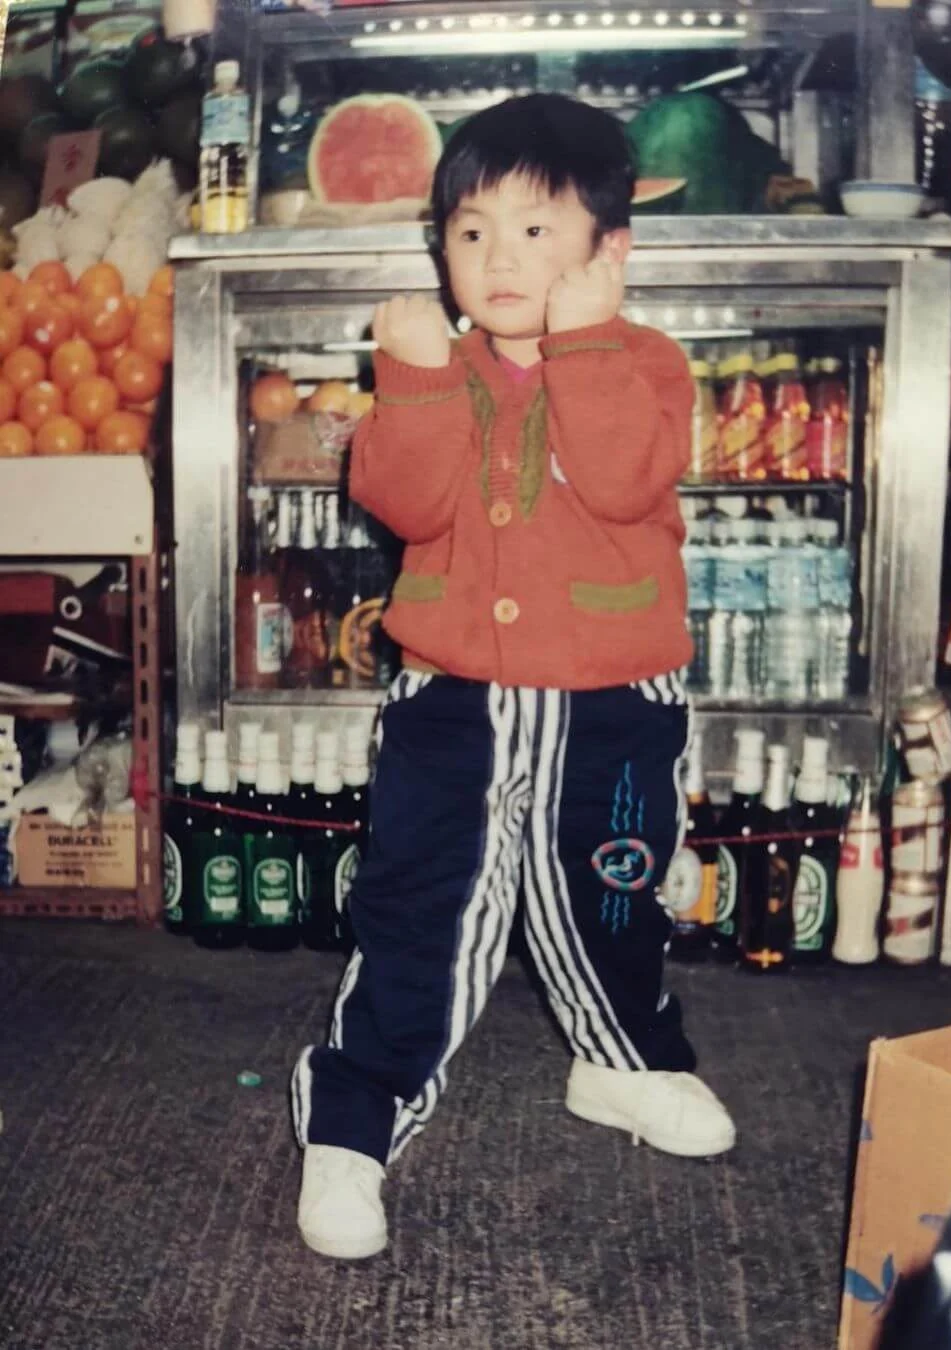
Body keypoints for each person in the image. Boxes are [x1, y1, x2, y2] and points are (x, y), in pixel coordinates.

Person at [291, 92, 736, 1262]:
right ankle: (357, 1116)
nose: (497, 259)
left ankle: (622, 1061)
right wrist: (413, 380)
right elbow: (405, 502)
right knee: (420, 901)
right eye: (472, 230)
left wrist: (582, 342)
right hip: (450, 699)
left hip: (613, 699)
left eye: (537, 231)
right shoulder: (434, 366)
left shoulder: (648, 363)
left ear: (609, 249)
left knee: (613, 888)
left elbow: (624, 478)